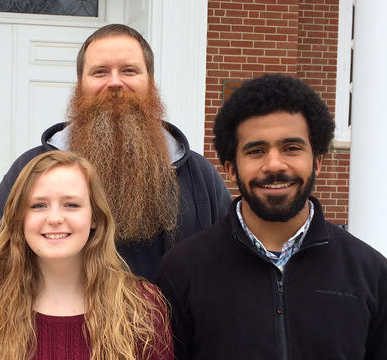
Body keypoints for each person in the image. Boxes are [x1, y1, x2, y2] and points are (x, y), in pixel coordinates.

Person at [155, 74, 387, 359]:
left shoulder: (371, 274)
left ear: (317, 162)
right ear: (231, 169)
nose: (274, 164)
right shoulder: (182, 271)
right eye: (256, 151)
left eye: (291, 148)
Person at [0, 24, 231, 281]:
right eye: (100, 72)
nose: (114, 82)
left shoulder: (199, 176)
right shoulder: (29, 170)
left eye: (129, 71)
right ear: (80, 85)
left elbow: (229, 269)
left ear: (151, 82)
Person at [0, 150, 173, 359]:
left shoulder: (141, 307)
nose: (54, 218)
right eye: (39, 205)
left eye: (71, 205)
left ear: (95, 217)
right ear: (19, 218)